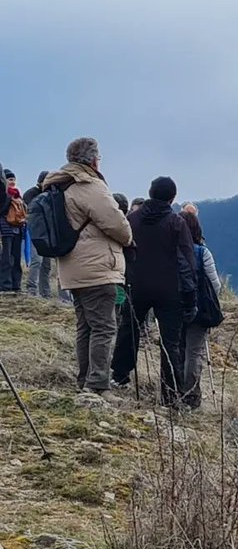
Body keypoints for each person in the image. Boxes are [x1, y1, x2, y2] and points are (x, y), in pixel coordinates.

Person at [42, 138, 133, 395]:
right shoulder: (89, 185)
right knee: (104, 327)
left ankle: (85, 380)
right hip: (98, 268)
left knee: (85, 327)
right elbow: (117, 224)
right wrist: (128, 237)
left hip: (72, 268)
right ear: (93, 160)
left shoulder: (60, 184)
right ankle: (97, 384)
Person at [111, 176, 196, 407]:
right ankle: (170, 396)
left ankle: (119, 375)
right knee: (171, 342)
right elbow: (187, 262)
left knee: (129, 328)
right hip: (169, 290)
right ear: (173, 197)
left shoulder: (132, 219)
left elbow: (123, 250)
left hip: (136, 285)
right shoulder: (176, 223)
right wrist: (190, 298)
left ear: (149, 192)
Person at [181, 209, 221, 409]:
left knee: (174, 349)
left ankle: (172, 391)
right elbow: (215, 284)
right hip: (198, 308)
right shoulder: (202, 252)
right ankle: (191, 396)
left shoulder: (169, 251)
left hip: (172, 308)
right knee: (193, 352)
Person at [22, 172, 53, 298]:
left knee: (47, 264)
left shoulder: (50, 194)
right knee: (37, 260)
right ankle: (31, 288)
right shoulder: (31, 194)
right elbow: (32, 212)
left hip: (48, 232)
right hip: (35, 231)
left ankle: (45, 292)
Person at [0, 169, 24, 292]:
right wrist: (9, 199)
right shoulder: (4, 194)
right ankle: (5, 284)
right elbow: (2, 209)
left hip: (17, 229)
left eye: (14, 179)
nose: (12, 182)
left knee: (16, 258)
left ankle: (16, 284)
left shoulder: (18, 194)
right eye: (10, 179)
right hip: (5, 228)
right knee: (6, 258)